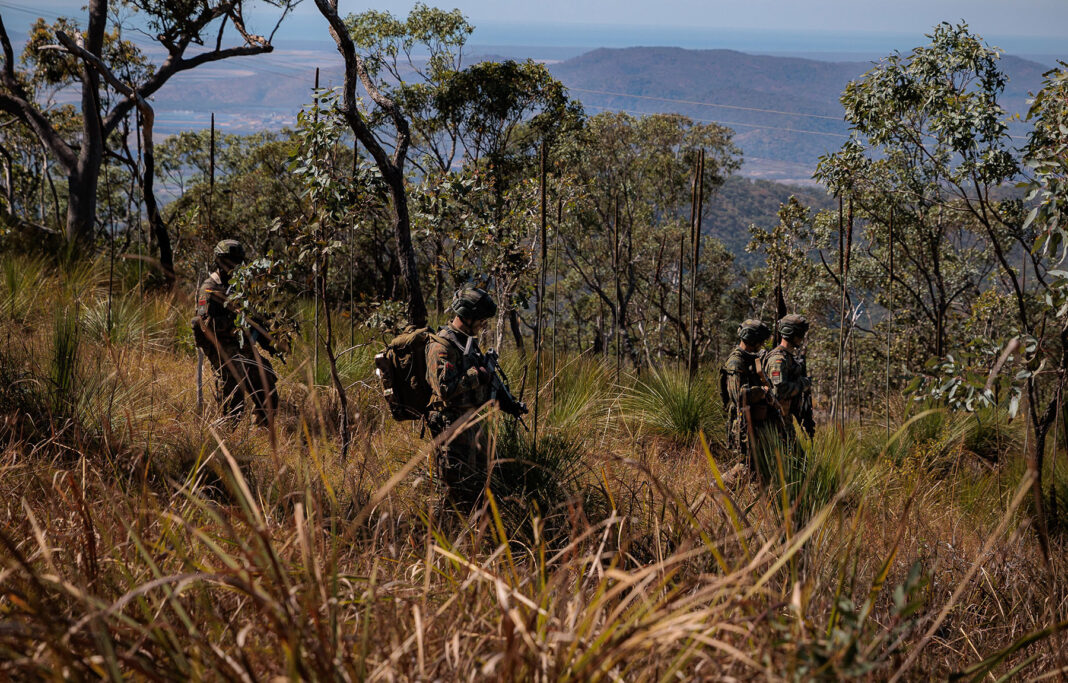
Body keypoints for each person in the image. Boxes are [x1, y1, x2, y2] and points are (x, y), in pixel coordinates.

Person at [425, 287, 520, 510]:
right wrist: (477, 375)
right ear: (467, 317)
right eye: (481, 319)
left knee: (480, 488)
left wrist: (507, 403)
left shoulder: (466, 341)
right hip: (452, 430)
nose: (483, 324)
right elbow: (444, 388)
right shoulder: (442, 345)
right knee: (454, 492)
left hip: (474, 426)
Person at [192, 239, 281, 425]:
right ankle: (224, 439)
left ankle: (263, 434)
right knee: (234, 397)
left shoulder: (242, 287)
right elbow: (206, 325)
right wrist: (238, 323)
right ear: (218, 261)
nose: (233, 266)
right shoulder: (210, 288)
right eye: (229, 261)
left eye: (237, 261)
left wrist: (269, 342)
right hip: (220, 346)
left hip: (242, 346)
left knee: (267, 386)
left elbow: (255, 320)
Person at [720, 319, 782, 477]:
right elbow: (739, 397)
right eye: (760, 341)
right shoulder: (736, 362)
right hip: (744, 425)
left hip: (756, 423)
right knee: (748, 467)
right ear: (753, 340)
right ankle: (715, 492)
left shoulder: (750, 359)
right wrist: (762, 391)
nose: (762, 345)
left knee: (758, 468)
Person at [764, 313, 814, 440]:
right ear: (792, 334)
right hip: (777, 423)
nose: (802, 338)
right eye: (800, 334)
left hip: (784, 420)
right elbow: (780, 389)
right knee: (793, 459)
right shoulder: (778, 360)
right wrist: (803, 384)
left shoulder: (789, 358)